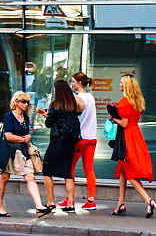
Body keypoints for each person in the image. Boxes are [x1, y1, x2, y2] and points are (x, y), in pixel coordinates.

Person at [0, 91, 52, 218]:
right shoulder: (9, 116)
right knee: (4, 177)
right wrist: (22, 139)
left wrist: (28, 136)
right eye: (23, 101)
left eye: (27, 102)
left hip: (23, 151)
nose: (26, 104)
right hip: (10, 151)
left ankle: (39, 207)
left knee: (30, 177)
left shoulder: (26, 118)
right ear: (16, 102)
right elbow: (8, 136)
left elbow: (26, 133)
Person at [108, 74, 156, 217]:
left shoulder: (124, 101)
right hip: (136, 135)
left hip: (127, 138)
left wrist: (113, 117)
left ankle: (148, 200)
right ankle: (120, 204)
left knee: (129, 172)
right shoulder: (138, 101)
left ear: (127, 85)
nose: (119, 85)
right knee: (124, 171)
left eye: (122, 83)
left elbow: (123, 123)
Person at [36, 79, 81, 213]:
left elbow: (49, 124)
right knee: (67, 173)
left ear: (58, 91)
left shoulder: (54, 105)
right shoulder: (72, 104)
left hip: (57, 141)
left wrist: (47, 115)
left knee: (47, 170)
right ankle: (71, 204)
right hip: (70, 142)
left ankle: (51, 202)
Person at [57, 72, 98, 211]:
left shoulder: (78, 99)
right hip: (92, 138)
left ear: (80, 83)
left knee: (70, 168)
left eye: (73, 81)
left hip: (80, 139)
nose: (72, 84)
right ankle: (91, 200)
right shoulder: (91, 97)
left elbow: (71, 118)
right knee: (89, 168)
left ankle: (70, 200)